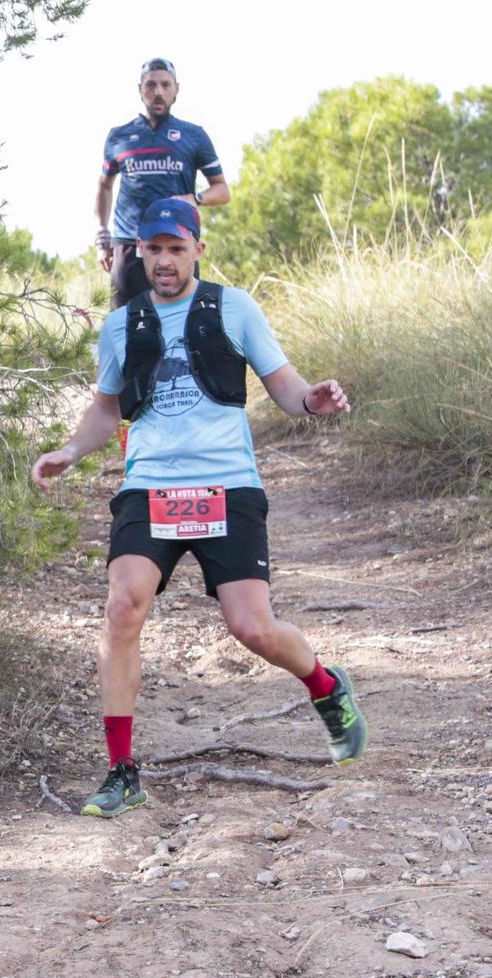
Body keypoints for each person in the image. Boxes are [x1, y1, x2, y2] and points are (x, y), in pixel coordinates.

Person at [31, 198, 367, 818]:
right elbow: (107, 410)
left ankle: (326, 688)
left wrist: (312, 399)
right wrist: (71, 450)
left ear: (196, 251)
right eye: (152, 249)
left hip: (227, 483)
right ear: (137, 253)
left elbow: (284, 386)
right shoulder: (119, 326)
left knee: (252, 628)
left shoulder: (233, 307)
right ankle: (122, 771)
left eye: (175, 249)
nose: (163, 260)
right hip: (150, 485)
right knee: (123, 605)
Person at [96, 58, 228, 308]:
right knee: (125, 325)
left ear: (176, 89)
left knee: (181, 324)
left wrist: (195, 198)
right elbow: (104, 185)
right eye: (150, 85)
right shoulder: (118, 136)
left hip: (177, 244)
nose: (158, 92)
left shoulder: (194, 135)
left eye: (166, 85)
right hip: (129, 244)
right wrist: (102, 236)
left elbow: (222, 190)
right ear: (140, 90)